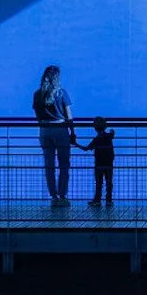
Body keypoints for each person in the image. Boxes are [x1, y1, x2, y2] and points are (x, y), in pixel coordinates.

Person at [33, 65, 75, 205]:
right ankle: (62, 195)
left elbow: (38, 117)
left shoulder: (38, 94)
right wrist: (73, 133)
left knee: (49, 164)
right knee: (64, 163)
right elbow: (69, 116)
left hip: (45, 129)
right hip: (60, 128)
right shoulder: (62, 93)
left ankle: (53, 196)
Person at [78, 116, 117, 206]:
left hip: (99, 164)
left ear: (95, 128)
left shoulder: (96, 140)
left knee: (99, 183)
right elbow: (112, 133)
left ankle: (97, 200)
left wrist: (76, 144)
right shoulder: (109, 136)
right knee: (109, 182)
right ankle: (109, 200)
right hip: (109, 164)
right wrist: (112, 131)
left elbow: (86, 149)